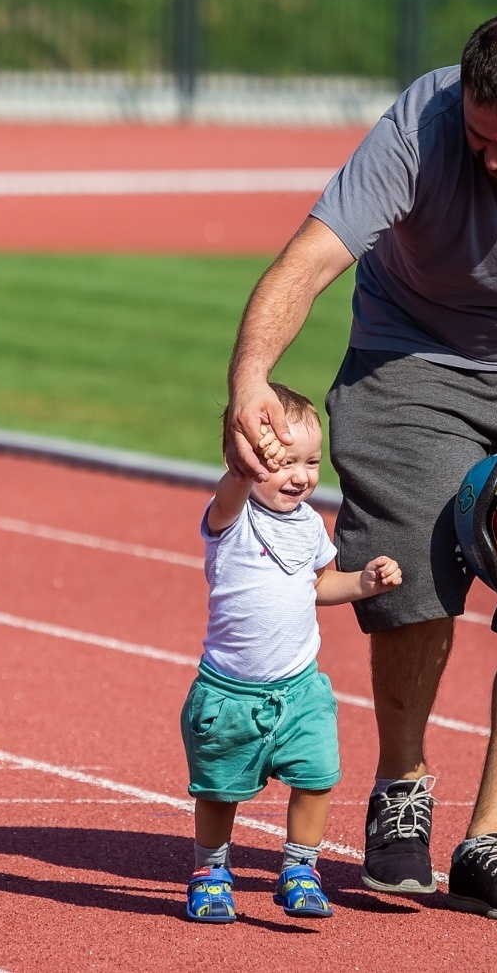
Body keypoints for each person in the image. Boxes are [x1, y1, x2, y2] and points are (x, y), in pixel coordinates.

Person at [224, 13, 497, 921]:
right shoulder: (420, 124)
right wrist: (249, 378)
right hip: (412, 358)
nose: (492, 162)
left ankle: (490, 840)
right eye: (478, 139)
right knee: (410, 569)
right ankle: (402, 785)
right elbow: (309, 259)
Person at [182, 382, 403, 923]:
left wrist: (364, 584)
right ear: (245, 461)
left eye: (311, 462)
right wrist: (241, 468)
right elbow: (234, 487)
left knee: (317, 776)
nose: (300, 476)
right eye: (282, 464)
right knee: (218, 790)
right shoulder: (230, 517)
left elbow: (319, 584)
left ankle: (300, 868)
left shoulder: (307, 524)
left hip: (300, 688)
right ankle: (210, 872)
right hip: (230, 693)